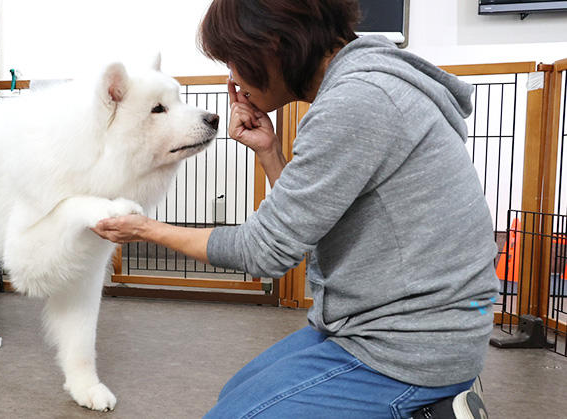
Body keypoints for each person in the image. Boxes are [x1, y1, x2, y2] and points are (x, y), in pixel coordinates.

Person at [91, 0, 498, 417]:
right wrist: (269, 152)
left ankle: (431, 410)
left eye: (233, 60)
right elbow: (309, 221)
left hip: (412, 345)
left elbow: (263, 251)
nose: (231, 77)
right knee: (237, 391)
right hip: (391, 322)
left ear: (272, 45)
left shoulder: (356, 102)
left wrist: (144, 228)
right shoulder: (369, 80)